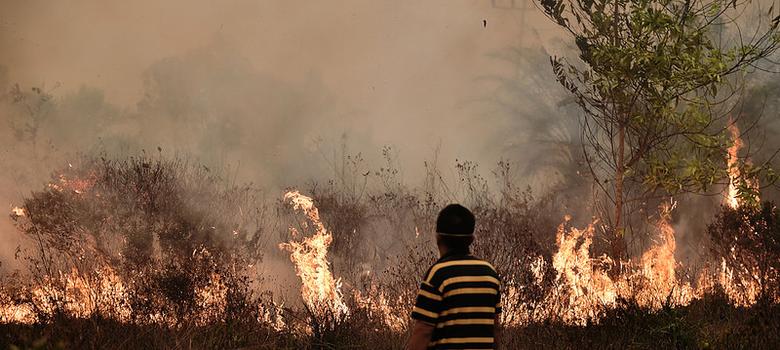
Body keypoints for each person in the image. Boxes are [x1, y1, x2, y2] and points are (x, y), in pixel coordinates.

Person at [406, 204, 501, 350]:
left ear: (438, 238)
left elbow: (423, 332)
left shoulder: (438, 274)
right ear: (471, 239)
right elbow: (495, 330)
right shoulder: (490, 274)